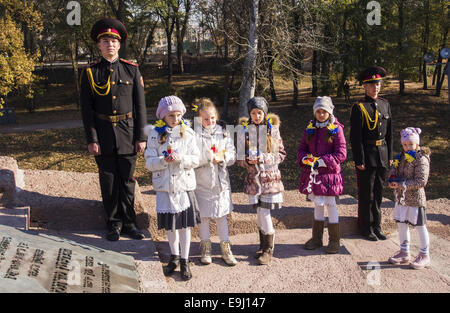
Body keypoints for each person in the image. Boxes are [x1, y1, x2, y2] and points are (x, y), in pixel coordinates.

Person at [80, 18, 146, 241]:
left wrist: (141, 137)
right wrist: (92, 138)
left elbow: (140, 107)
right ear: (99, 45)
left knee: (127, 181)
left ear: (119, 45)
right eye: (105, 41)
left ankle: (130, 222)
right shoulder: (90, 73)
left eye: (113, 41)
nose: (110, 44)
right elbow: (86, 111)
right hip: (104, 136)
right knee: (108, 182)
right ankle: (113, 224)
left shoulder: (132, 70)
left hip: (128, 135)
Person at [144, 95, 201, 281]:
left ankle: (185, 259)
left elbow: (196, 159)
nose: (175, 119)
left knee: (184, 226)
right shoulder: (154, 134)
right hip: (165, 187)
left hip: (184, 186)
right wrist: (163, 161)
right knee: (171, 227)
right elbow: (148, 162)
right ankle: (174, 256)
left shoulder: (189, 133)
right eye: (171, 116)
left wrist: (181, 159)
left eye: (178, 115)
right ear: (163, 116)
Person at [237, 97, 286, 265]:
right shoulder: (244, 131)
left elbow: (280, 155)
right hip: (253, 180)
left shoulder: (272, 130)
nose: (256, 116)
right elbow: (239, 157)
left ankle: (269, 249)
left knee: (265, 212)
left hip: (268, 179)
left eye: (259, 113)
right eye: (253, 113)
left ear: (264, 113)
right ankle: (262, 245)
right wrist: (247, 161)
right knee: (259, 213)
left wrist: (263, 157)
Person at [297, 96, 347, 254]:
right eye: (318, 111)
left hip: (330, 175)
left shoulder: (336, 129)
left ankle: (334, 240)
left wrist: (322, 161)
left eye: (324, 111)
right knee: (318, 204)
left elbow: (341, 153)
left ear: (329, 112)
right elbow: (302, 149)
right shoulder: (310, 128)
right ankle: (317, 238)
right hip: (315, 175)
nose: (320, 114)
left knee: (331, 205)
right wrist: (305, 159)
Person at [192, 98, 238, 266]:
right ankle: (206, 247)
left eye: (212, 117)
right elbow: (192, 158)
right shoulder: (194, 135)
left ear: (216, 116)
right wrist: (206, 158)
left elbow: (232, 154)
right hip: (202, 182)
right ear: (199, 119)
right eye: (205, 119)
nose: (210, 121)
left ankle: (226, 248)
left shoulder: (224, 132)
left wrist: (222, 157)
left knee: (221, 216)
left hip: (220, 183)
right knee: (204, 217)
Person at [350, 66, 393, 241]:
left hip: (382, 154)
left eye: (378, 84)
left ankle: (377, 225)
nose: (376, 87)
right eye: (372, 84)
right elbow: (356, 137)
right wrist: (359, 159)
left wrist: (389, 156)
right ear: (365, 86)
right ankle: (365, 227)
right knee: (366, 193)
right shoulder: (359, 107)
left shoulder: (385, 104)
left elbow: (390, 133)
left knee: (379, 192)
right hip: (367, 155)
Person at [388, 127, 431, 269]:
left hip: (416, 200)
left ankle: (424, 254)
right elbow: (395, 171)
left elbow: (421, 181)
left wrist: (400, 184)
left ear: (417, 143)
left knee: (420, 226)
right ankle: (404, 251)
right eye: (405, 144)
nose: (407, 147)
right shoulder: (400, 157)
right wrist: (392, 177)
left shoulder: (421, 158)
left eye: (411, 144)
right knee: (401, 224)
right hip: (401, 198)